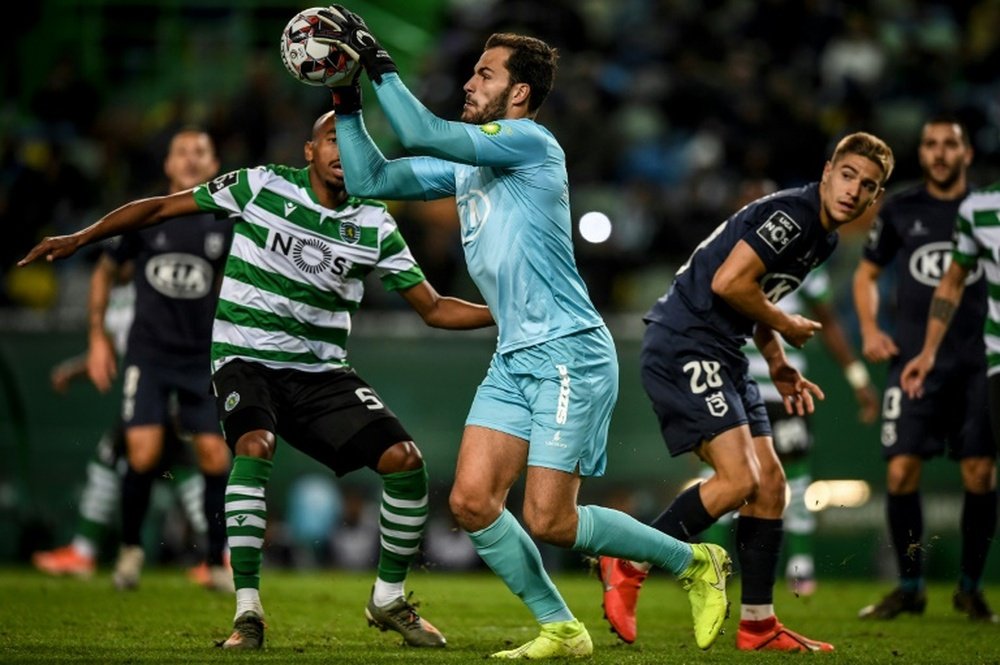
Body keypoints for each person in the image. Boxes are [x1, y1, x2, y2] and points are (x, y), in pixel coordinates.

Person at [321, 8, 732, 658]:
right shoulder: (467, 167)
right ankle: (563, 629)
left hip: (570, 352)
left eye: (484, 74)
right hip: (514, 356)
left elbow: (422, 129)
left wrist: (379, 66)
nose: (469, 84)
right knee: (473, 500)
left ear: (519, 93)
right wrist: (346, 98)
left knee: (549, 519)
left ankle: (694, 561)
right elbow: (369, 181)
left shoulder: (532, 144)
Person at [20, 110, 495, 651]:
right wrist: (81, 236)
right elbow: (158, 207)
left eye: (355, 142)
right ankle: (247, 613)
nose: (343, 150)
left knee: (406, 462)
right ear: (309, 150)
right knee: (254, 445)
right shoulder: (258, 185)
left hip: (320, 373)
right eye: (331, 139)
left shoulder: (376, 224)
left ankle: (388, 598)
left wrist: (509, 312)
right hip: (244, 358)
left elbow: (433, 309)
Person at [597, 132, 894, 652]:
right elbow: (730, 283)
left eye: (867, 185)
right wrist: (786, 325)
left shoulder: (821, 236)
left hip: (724, 348)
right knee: (737, 481)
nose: (853, 190)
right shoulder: (797, 216)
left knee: (770, 485)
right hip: (687, 341)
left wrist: (777, 360)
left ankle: (758, 626)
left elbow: (758, 291)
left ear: (874, 199)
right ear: (827, 173)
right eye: (847, 175)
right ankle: (629, 558)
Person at [74, 128, 234, 593]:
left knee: (212, 454)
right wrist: (97, 337)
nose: (189, 160)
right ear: (167, 164)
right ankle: (129, 551)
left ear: (213, 163)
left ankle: (216, 561)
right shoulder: (145, 217)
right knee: (142, 452)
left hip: (200, 358)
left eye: (199, 152)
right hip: (148, 355)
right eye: (181, 152)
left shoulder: (225, 221)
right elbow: (104, 272)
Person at [855, 116, 997, 622]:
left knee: (980, 472)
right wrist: (871, 330)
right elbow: (866, 274)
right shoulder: (901, 210)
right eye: (930, 144)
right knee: (900, 471)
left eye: (949, 145)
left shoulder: (986, 210)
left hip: (980, 364)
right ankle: (910, 585)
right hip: (914, 361)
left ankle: (969, 587)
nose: (938, 153)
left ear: (966, 154)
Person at [32, 282, 211, 582]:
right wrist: (75, 371)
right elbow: (113, 346)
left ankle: (84, 550)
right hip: (144, 392)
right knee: (178, 469)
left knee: (175, 468)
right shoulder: (120, 294)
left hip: (165, 389)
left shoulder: (159, 282)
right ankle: (221, 555)